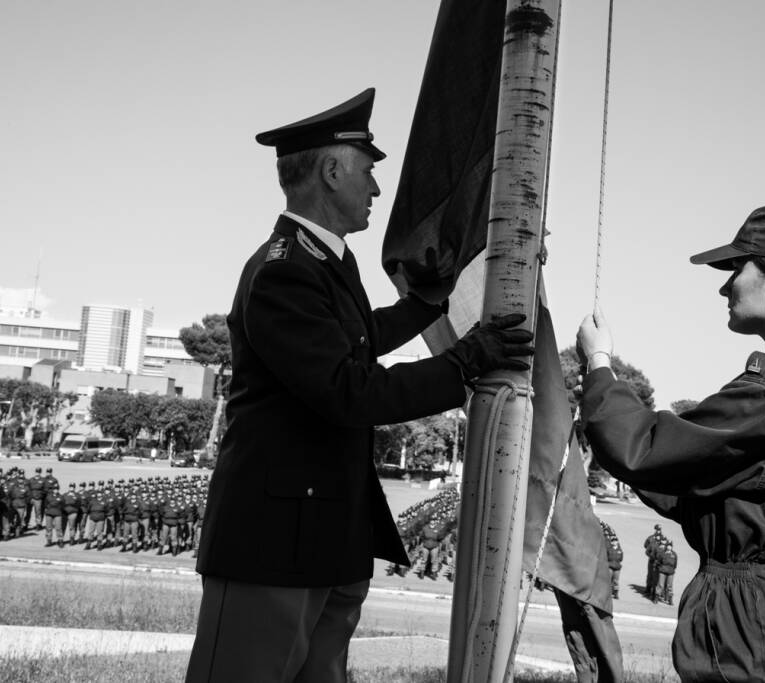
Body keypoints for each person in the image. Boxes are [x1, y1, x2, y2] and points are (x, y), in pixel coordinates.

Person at [186, 88, 533, 683]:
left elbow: (358, 338)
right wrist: (463, 364)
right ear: (330, 170)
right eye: (369, 172)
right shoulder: (283, 271)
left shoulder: (322, 261)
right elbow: (349, 389)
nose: (376, 189)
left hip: (324, 539)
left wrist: (430, 303)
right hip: (273, 549)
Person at [576, 203, 765, 682]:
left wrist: (598, 366)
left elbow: (644, 448)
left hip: (762, 647)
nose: (725, 286)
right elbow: (698, 487)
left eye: (737, 268)